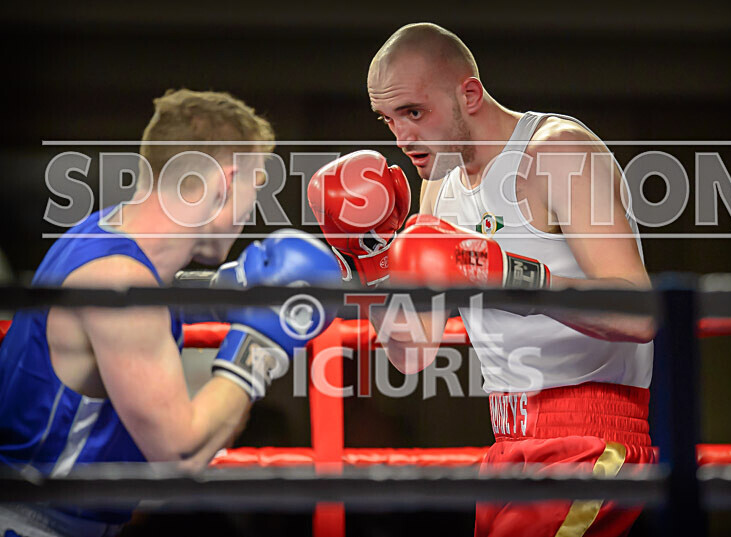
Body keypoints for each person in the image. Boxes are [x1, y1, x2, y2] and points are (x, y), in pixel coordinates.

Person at [309, 23, 655, 537]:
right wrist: (371, 260)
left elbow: (640, 315)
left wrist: (512, 274)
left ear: (468, 93)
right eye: (388, 119)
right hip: (505, 445)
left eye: (414, 112)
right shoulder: (439, 191)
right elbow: (412, 352)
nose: (402, 138)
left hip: (591, 438)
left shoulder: (557, 152)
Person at [0, 89, 341, 537]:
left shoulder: (101, 236)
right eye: (254, 188)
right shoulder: (121, 285)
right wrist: (262, 342)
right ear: (225, 181)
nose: (251, 211)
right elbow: (180, 452)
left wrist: (223, 291)